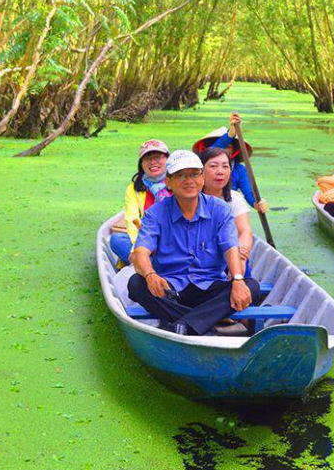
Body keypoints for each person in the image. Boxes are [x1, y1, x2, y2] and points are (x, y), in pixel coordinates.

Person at [128, 150, 261, 336]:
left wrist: (238, 279)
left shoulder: (220, 209)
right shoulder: (155, 213)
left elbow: (231, 247)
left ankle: (185, 324)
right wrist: (150, 275)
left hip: (210, 286)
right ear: (168, 181)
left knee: (251, 286)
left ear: (202, 178)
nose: (188, 180)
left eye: (194, 174)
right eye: (180, 175)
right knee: (136, 284)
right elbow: (140, 252)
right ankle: (205, 319)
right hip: (171, 290)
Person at [110, 139, 172, 265]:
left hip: (174, 243)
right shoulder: (134, 189)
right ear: (141, 164)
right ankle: (148, 266)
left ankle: (146, 265)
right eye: (148, 158)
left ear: (168, 160)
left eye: (158, 157)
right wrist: (138, 249)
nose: (153, 162)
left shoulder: (178, 181)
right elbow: (132, 221)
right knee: (117, 240)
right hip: (145, 242)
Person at [192, 112, 268, 213]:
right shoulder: (202, 164)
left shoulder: (239, 170)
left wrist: (257, 203)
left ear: (233, 150)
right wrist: (230, 135)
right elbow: (212, 150)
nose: (222, 152)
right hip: (201, 209)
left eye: (228, 147)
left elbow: (249, 192)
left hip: (227, 211)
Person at [200, 147, 257, 271]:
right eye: (213, 166)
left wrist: (240, 259)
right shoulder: (192, 198)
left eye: (225, 166)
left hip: (231, 256)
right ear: (201, 171)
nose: (220, 172)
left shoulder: (234, 198)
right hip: (200, 260)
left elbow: (245, 231)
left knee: (251, 286)